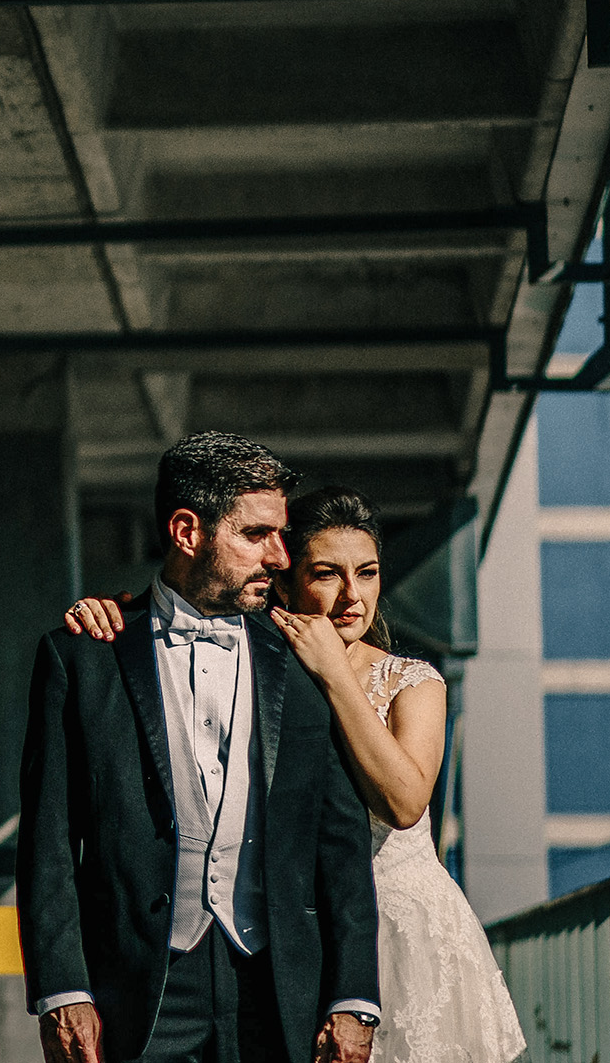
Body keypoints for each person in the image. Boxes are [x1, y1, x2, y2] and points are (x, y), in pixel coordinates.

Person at [64, 484, 527, 1063]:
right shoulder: (261, 660)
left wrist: (334, 670)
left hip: (402, 933)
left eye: (369, 572)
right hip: (292, 936)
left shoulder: (413, 682)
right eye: (328, 574)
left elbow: (405, 804)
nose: (352, 595)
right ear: (284, 579)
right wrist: (118, 614)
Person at [19, 431, 380, 1063]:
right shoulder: (83, 657)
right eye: (256, 534)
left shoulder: (308, 661)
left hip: (276, 987)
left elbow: (341, 842)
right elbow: (48, 838)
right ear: (187, 532)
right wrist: (62, 990)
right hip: (133, 993)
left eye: (281, 534)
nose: (279, 556)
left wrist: (353, 998)